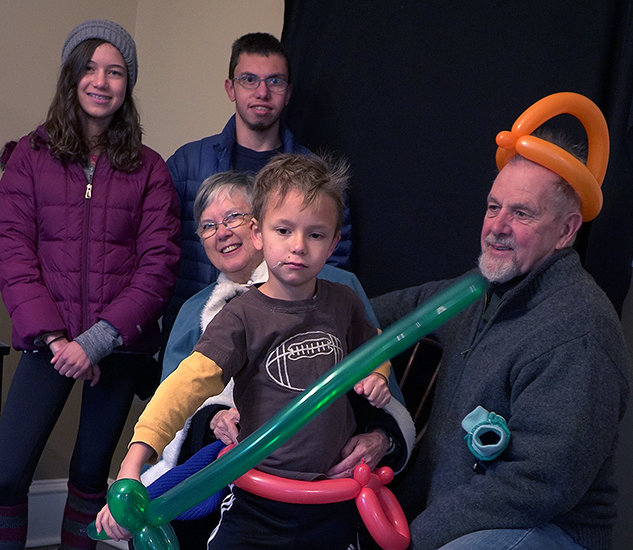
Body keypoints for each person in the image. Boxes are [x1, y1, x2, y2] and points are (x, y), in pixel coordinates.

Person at [96, 153, 399, 548]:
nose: (298, 246)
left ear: (334, 242)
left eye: (316, 234)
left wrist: (376, 374)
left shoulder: (344, 301)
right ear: (258, 233)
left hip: (331, 498)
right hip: (257, 503)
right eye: (284, 230)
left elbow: (374, 345)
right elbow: (183, 386)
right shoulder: (238, 316)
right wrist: (133, 463)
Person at [371, 130, 632, 550]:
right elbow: (380, 311)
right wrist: (303, 301)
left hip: (548, 530)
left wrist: (417, 536)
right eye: (494, 207)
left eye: (522, 214)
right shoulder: (478, 291)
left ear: (566, 231)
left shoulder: (580, 329)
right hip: (465, 518)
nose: (497, 226)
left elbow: (540, 484)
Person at [0, 20, 180, 550]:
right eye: (90, 68)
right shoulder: (28, 158)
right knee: (7, 472)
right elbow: (13, 254)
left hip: (119, 345)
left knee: (88, 475)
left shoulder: (150, 169)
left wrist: (96, 342)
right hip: (47, 343)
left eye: (116, 71)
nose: (102, 81)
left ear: (128, 85)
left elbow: (158, 267)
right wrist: (59, 342)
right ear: (71, 76)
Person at [163, 32, 352, 355]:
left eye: (275, 81)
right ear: (230, 88)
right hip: (196, 334)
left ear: (288, 92)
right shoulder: (186, 164)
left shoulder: (316, 176)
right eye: (249, 79)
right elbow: (160, 253)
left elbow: (335, 260)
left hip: (286, 340)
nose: (262, 92)